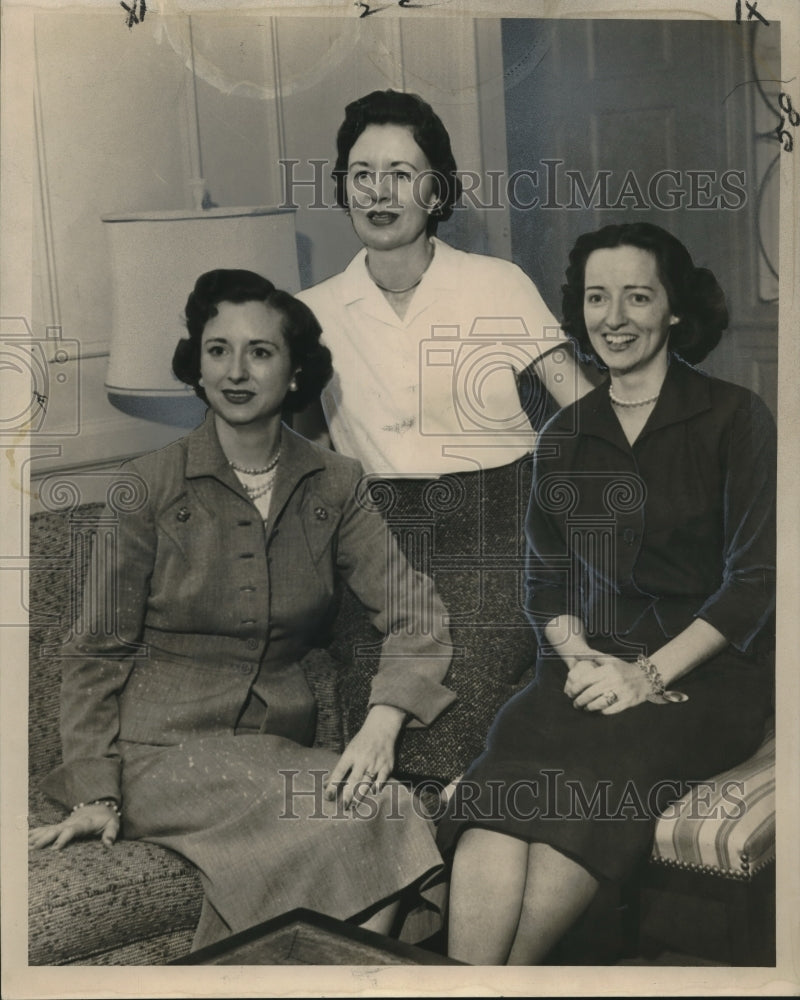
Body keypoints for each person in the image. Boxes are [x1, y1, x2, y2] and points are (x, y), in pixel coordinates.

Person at [28, 268, 455, 950]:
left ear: (293, 374)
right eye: (217, 349)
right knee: (346, 820)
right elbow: (94, 653)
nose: (235, 370)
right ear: (196, 368)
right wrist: (94, 793)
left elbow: (416, 612)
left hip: (273, 748)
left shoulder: (336, 484)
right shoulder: (148, 485)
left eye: (260, 352)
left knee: (391, 800)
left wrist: (382, 722)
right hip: (162, 756)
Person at [436, 222, 776, 964]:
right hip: (587, 670)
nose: (613, 317)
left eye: (637, 296)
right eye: (597, 297)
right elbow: (546, 583)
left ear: (675, 309)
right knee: (506, 790)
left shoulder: (736, 418)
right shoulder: (564, 435)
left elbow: (755, 583)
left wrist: (644, 675)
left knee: (594, 774)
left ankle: (503, 981)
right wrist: (583, 656)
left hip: (705, 682)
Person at [296, 89, 596, 778]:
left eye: (402, 173)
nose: (379, 191)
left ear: (437, 191)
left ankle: (437, 862)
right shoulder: (308, 314)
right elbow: (302, 458)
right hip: (380, 540)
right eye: (362, 173)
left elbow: (583, 414)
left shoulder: (496, 284)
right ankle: (409, 872)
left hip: (499, 522)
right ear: (342, 187)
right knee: (371, 716)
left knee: (448, 711)